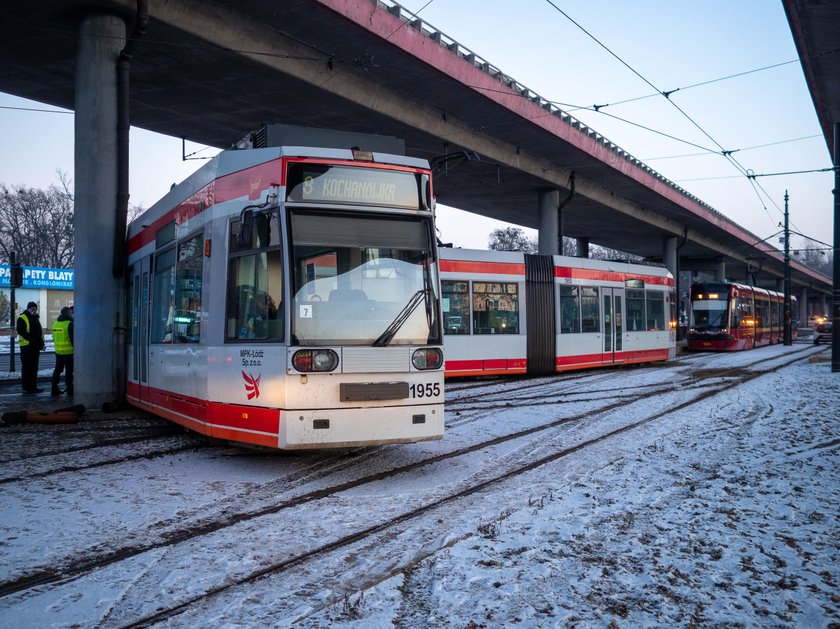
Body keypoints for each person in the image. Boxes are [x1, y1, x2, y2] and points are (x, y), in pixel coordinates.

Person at [17, 301, 45, 393]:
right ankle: (26, 388)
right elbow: (21, 331)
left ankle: (33, 387)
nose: (34, 310)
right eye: (32, 308)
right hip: (27, 347)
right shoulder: (22, 317)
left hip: (35, 347)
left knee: (34, 368)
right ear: (28, 308)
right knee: (27, 367)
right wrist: (31, 339)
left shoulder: (35, 318)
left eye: (35, 309)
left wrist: (41, 344)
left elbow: (39, 333)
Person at [51, 305, 74, 396]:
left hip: (58, 351)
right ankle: (69, 389)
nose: (72, 314)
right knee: (69, 371)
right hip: (69, 352)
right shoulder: (69, 324)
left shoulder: (55, 323)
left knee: (57, 370)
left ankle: (54, 388)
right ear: (68, 313)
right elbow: (73, 339)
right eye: (71, 313)